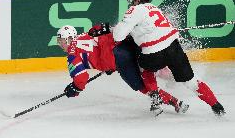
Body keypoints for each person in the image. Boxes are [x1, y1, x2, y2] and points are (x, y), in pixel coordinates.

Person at [112, 0, 226, 116]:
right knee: (191, 81)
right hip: (174, 48)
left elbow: (117, 35)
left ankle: (155, 99)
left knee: (144, 67)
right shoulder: (155, 9)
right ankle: (217, 106)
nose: (131, 2)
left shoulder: (135, 9)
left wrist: (130, 33)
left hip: (153, 52)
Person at [56, 24, 189, 116]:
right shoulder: (85, 35)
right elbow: (102, 32)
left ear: (69, 39)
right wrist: (107, 66)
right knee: (148, 63)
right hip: (124, 45)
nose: (60, 44)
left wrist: (73, 89)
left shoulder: (72, 54)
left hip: (119, 58)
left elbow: (81, 79)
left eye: (61, 40)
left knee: (141, 86)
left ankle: (175, 102)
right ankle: (172, 74)